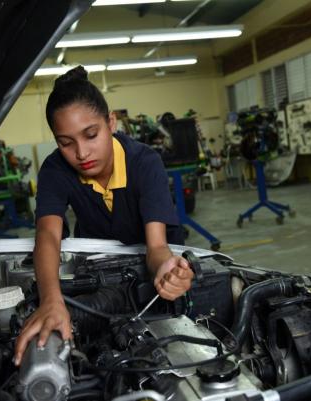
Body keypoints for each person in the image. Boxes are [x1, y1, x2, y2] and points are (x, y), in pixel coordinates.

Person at [13, 66, 194, 366]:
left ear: (110, 122)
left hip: (152, 270)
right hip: (100, 270)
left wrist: (168, 271)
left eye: (91, 135)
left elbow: (157, 247)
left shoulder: (144, 162)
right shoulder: (55, 169)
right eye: (65, 142)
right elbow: (48, 235)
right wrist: (51, 300)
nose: (81, 153)